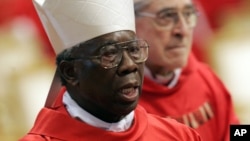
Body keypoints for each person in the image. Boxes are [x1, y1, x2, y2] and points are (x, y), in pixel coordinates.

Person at [19, 0, 203, 140]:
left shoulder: (178, 135)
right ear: (70, 72)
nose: (130, 65)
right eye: (109, 54)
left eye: (133, 50)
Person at [134, 0, 240, 141]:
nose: (183, 30)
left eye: (188, 14)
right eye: (166, 17)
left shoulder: (206, 78)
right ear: (131, 25)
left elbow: (237, 130)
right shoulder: (118, 102)